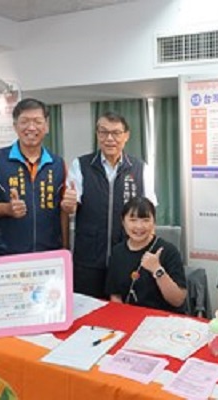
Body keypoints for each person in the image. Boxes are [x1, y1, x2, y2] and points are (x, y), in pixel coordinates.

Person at [62, 111, 156, 298]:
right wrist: (68, 204)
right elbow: (70, 208)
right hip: (88, 259)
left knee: (124, 309)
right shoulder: (81, 165)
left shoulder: (140, 168)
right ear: (97, 135)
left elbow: (150, 215)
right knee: (87, 309)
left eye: (116, 133)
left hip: (128, 258)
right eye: (103, 132)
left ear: (126, 136)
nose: (109, 138)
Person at [0, 98, 69, 256]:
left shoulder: (58, 164)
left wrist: (65, 250)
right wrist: (7, 209)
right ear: (15, 126)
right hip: (9, 254)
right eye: (24, 121)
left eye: (37, 121)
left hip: (50, 254)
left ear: (46, 126)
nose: (31, 127)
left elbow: (63, 211)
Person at [105, 197, 186, 312]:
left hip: (162, 318)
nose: (139, 226)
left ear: (154, 222)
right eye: (133, 220)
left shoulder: (168, 251)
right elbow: (115, 295)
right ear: (123, 222)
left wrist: (157, 270)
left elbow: (178, 300)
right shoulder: (117, 252)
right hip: (130, 316)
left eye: (145, 220)